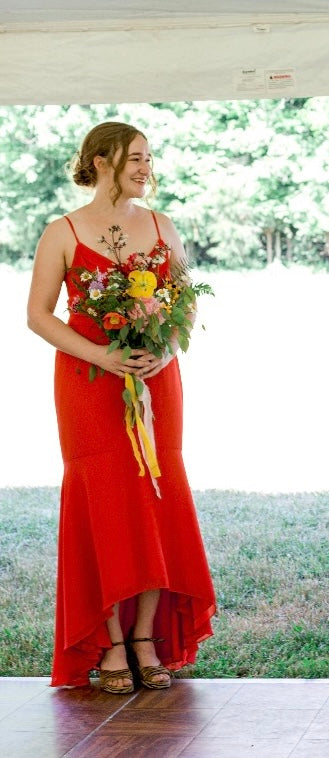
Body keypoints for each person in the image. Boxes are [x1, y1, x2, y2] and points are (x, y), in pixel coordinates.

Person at [27, 121, 216, 692]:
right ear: (102, 160)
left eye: (149, 158)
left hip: (157, 381)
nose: (146, 168)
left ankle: (144, 638)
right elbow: (38, 315)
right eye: (136, 157)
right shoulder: (61, 232)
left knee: (157, 497)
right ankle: (109, 641)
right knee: (102, 499)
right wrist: (102, 356)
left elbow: (184, 307)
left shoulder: (163, 226)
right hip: (89, 382)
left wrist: (167, 349)